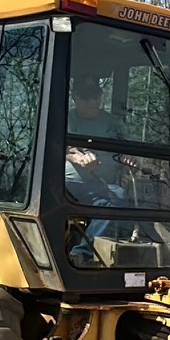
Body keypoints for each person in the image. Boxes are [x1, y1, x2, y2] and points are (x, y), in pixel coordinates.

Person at [65, 78, 132, 264]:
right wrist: (76, 157)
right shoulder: (67, 119)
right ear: (75, 98)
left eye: (96, 96)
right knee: (115, 199)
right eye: (86, 97)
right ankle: (82, 254)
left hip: (102, 184)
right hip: (69, 183)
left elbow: (127, 149)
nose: (92, 102)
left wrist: (128, 159)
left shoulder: (113, 123)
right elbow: (63, 147)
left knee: (124, 200)